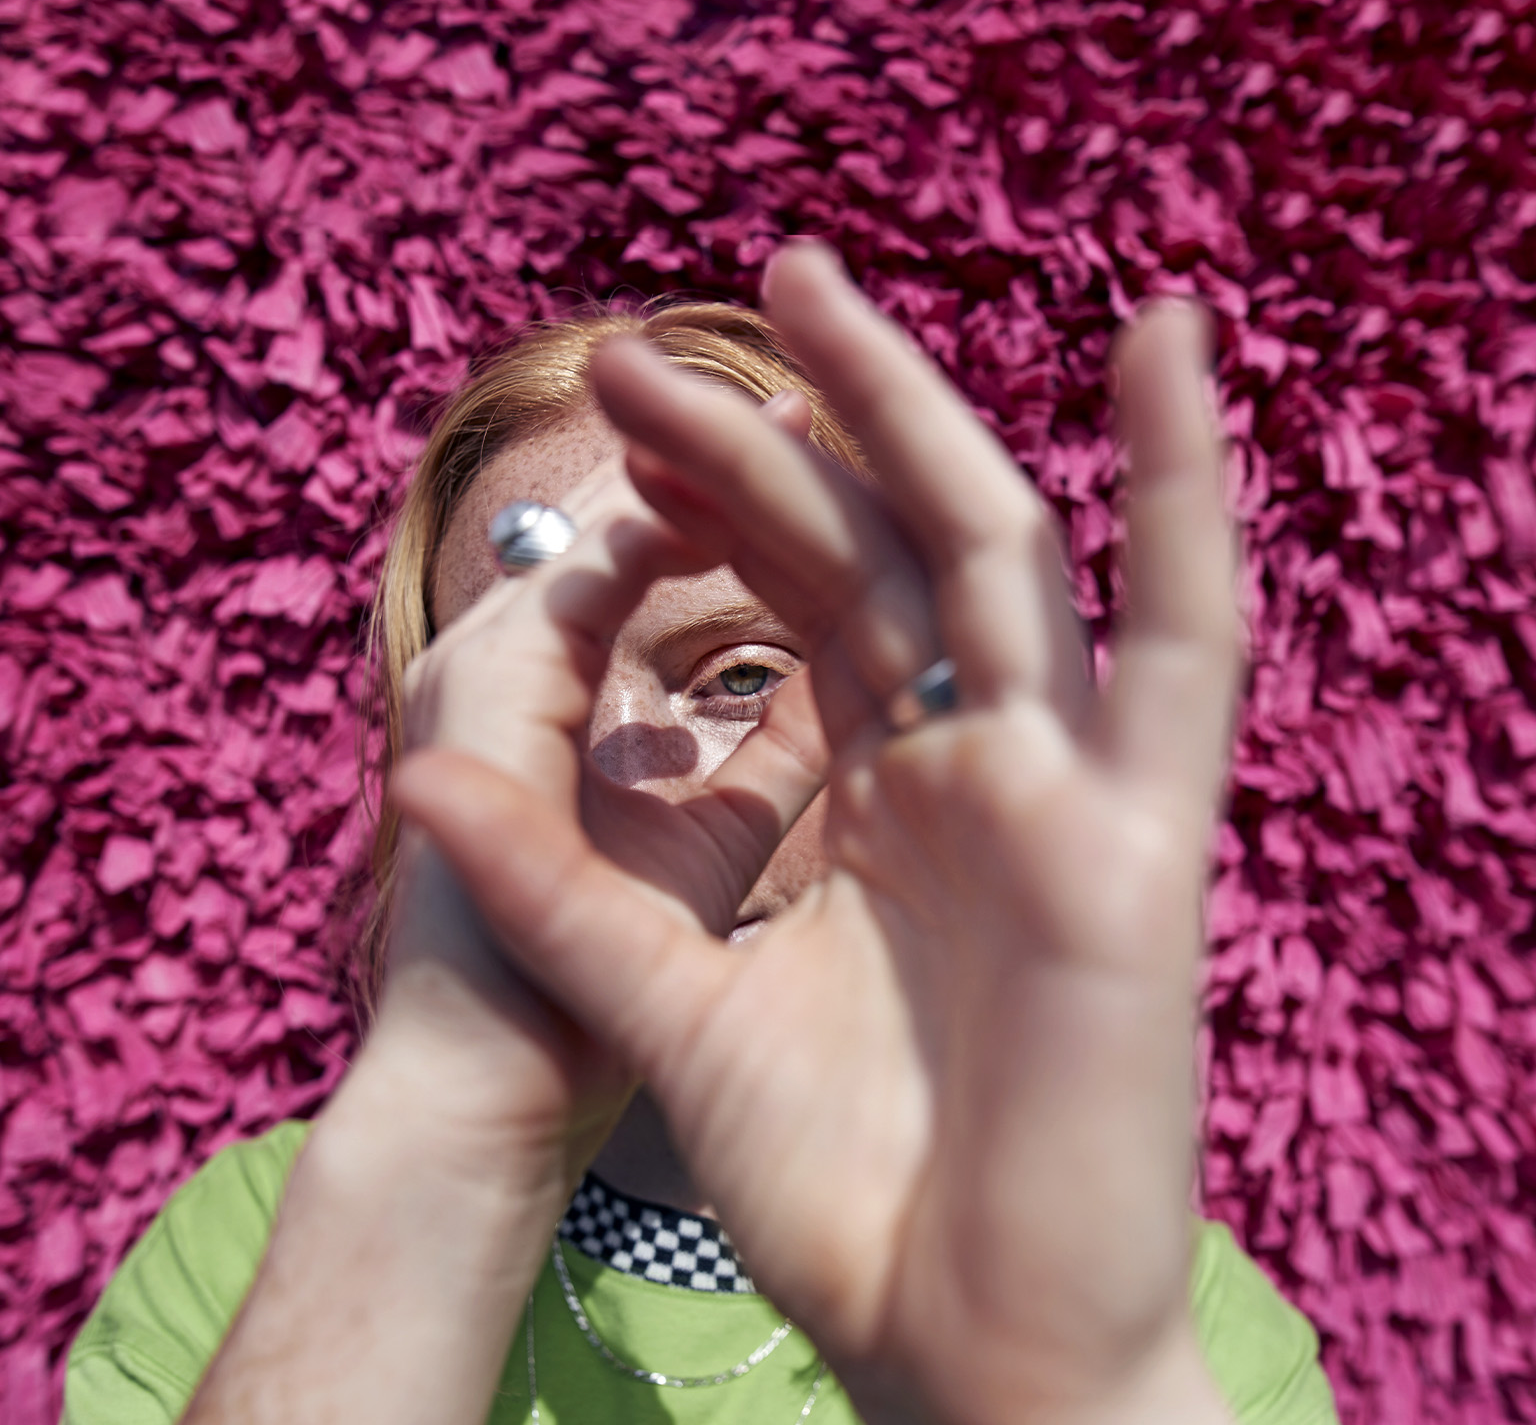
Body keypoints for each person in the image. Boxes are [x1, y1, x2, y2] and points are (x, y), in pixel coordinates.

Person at [63, 242, 1338, 1425]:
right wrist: (448, 1156)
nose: (623, 784)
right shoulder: (259, 1259)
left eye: (740, 678)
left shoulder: (1174, 1327)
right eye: (534, 701)